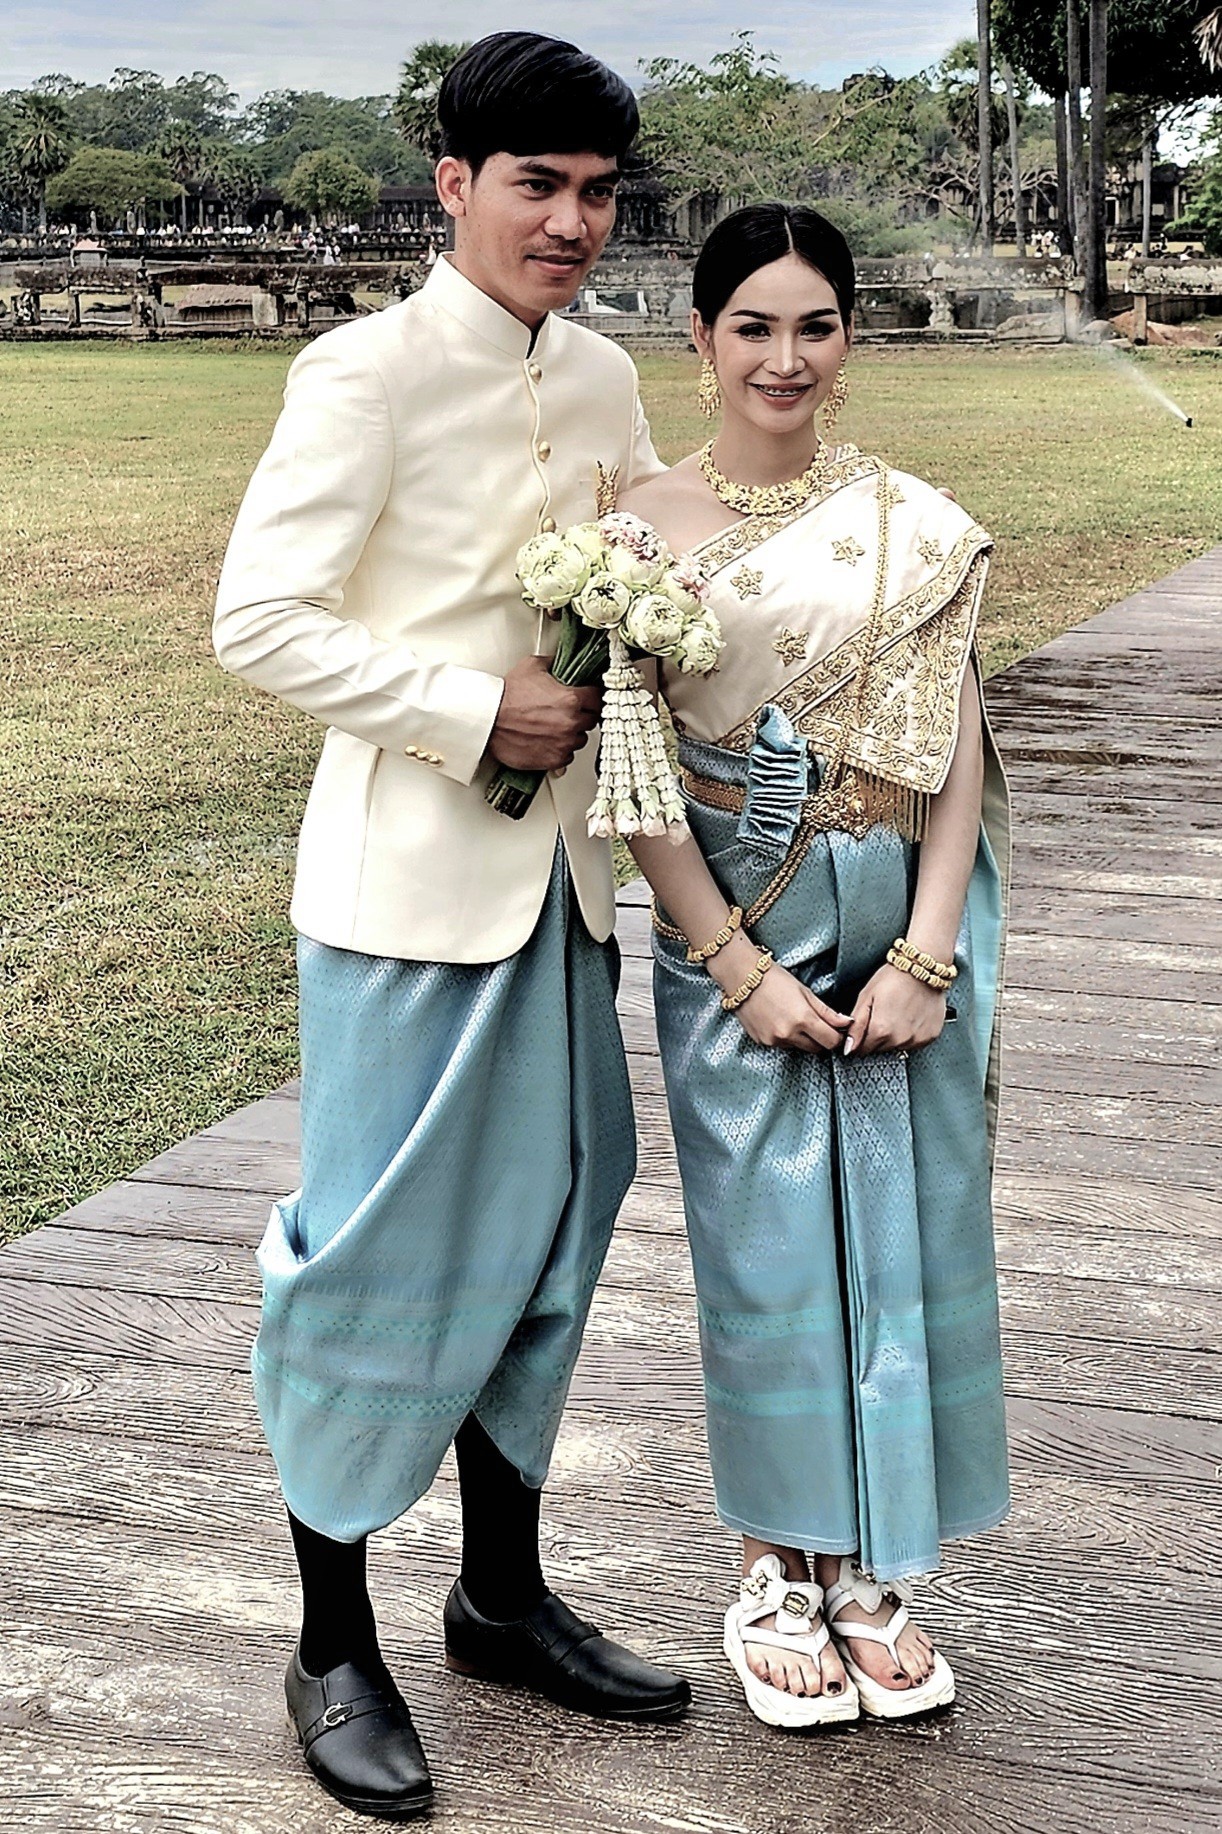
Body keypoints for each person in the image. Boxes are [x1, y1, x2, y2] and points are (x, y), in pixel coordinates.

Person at [213, 31, 689, 1821]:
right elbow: (258, 621)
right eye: (535, 186)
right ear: (452, 188)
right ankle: (331, 1636)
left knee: (556, 1237)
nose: (569, 222)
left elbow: (653, 575)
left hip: (566, 890)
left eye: (592, 192)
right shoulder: (368, 369)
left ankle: (497, 1594)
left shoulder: (605, 373)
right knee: (372, 1265)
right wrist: (465, 706)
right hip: (407, 902)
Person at [621, 203, 1010, 1730]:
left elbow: (960, 748)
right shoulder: (633, 531)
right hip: (732, 924)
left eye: (816, 326)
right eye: (752, 327)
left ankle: (867, 1573)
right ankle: (772, 1568)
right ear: (700, 337)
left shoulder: (913, 519)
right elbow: (632, 768)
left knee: (906, 1236)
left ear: (850, 338)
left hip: (900, 909)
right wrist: (730, 963)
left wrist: (926, 951)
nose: (785, 359)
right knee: (766, 1252)